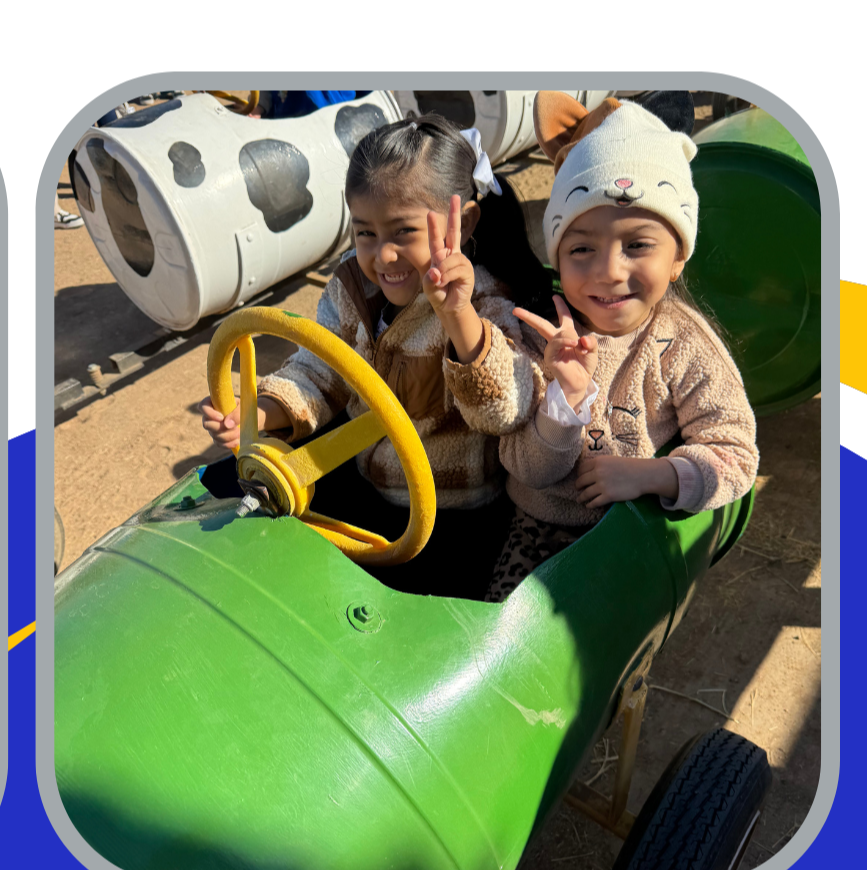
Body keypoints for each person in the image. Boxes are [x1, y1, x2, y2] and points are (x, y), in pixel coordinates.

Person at [197, 114, 541, 600]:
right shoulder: (350, 288)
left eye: (403, 232)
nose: (383, 257)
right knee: (233, 499)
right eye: (366, 234)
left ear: (461, 226)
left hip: (449, 520)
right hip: (366, 485)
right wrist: (261, 412)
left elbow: (504, 411)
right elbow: (320, 371)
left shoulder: (487, 304)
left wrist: (458, 317)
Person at [487, 98, 759, 602]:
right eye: (581, 248)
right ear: (557, 254)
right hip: (533, 533)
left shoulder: (684, 345)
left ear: (678, 256)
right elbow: (529, 471)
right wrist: (565, 398)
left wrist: (649, 475)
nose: (608, 270)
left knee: (610, 660)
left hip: (631, 534)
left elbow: (738, 455)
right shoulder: (534, 331)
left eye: (637, 245)